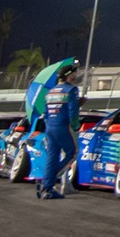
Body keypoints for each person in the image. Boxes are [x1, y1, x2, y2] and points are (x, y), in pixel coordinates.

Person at [39, 64, 81, 199]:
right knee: (72, 153)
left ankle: (48, 189)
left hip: (50, 127)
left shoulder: (50, 91)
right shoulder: (72, 89)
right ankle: (47, 182)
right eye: (75, 73)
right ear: (70, 75)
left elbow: (45, 113)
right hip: (63, 127)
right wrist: (76, 126)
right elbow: (73, 112)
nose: (76, 75)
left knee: (52, 156)